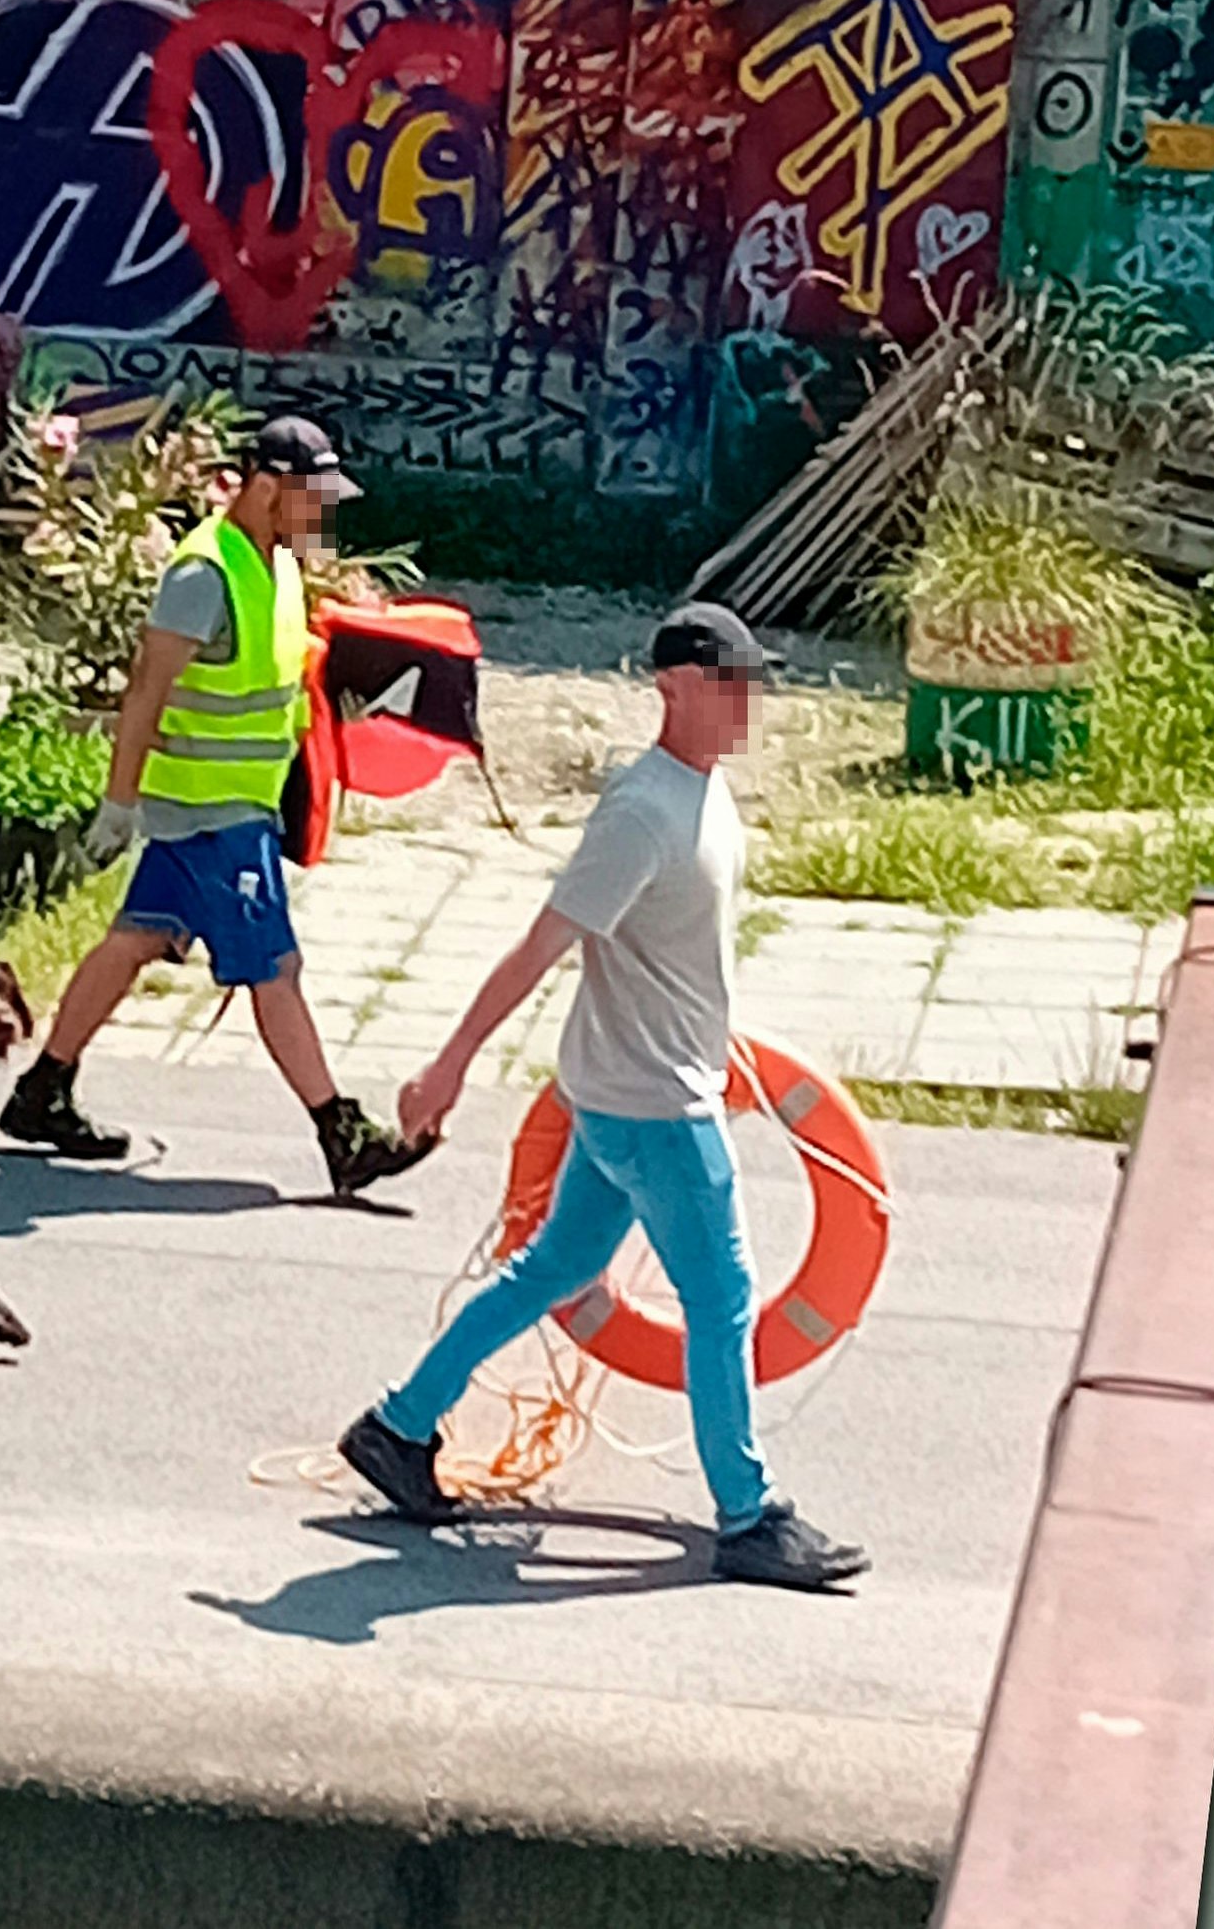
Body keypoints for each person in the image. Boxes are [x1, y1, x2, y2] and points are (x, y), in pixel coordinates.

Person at [333, 602, 867, 1591]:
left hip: (631, 1093)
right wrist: (449, 1064)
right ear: (676, 689)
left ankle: (399, 1424)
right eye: (733, 682)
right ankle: (749, 1515)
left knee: (553, 1269)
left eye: (755, 680)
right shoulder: (642, 812)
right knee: (722, 1302)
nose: (751, 699)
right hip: (656, 1109)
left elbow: (677, 956)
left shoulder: (703, 796)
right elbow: (544, 945)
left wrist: (718, 1040)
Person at [0, 417, 423, 1196]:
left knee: (133, 940)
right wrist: (118, 804)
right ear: (265, 488)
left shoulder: (279, 565)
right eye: (312, 496)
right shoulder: (202, 575)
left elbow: (275, 680)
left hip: (233, 809)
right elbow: (146, 692)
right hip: (210, 816)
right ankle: (343, 1132)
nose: (323, 513)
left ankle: (42, 1090)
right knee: (275, 968)